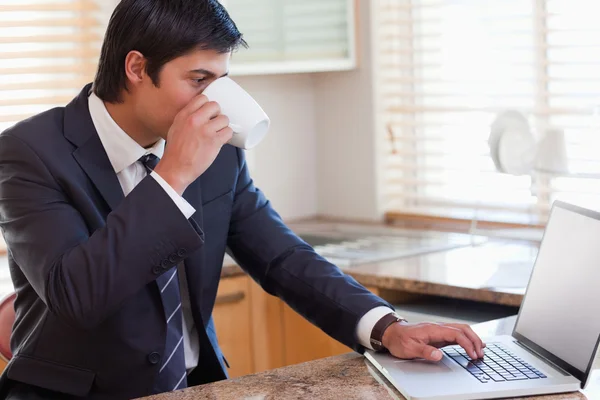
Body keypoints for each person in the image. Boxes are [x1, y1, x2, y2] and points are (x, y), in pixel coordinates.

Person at [0, 1, 485, 399]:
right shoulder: (31, 153)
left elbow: (282, 256)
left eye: (221, 80)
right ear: (136, 68)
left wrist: (385, 327)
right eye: (198, 79)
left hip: (196, 388)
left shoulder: (218, 153)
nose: (213, 101)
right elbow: (75, 295)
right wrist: (172, 177)